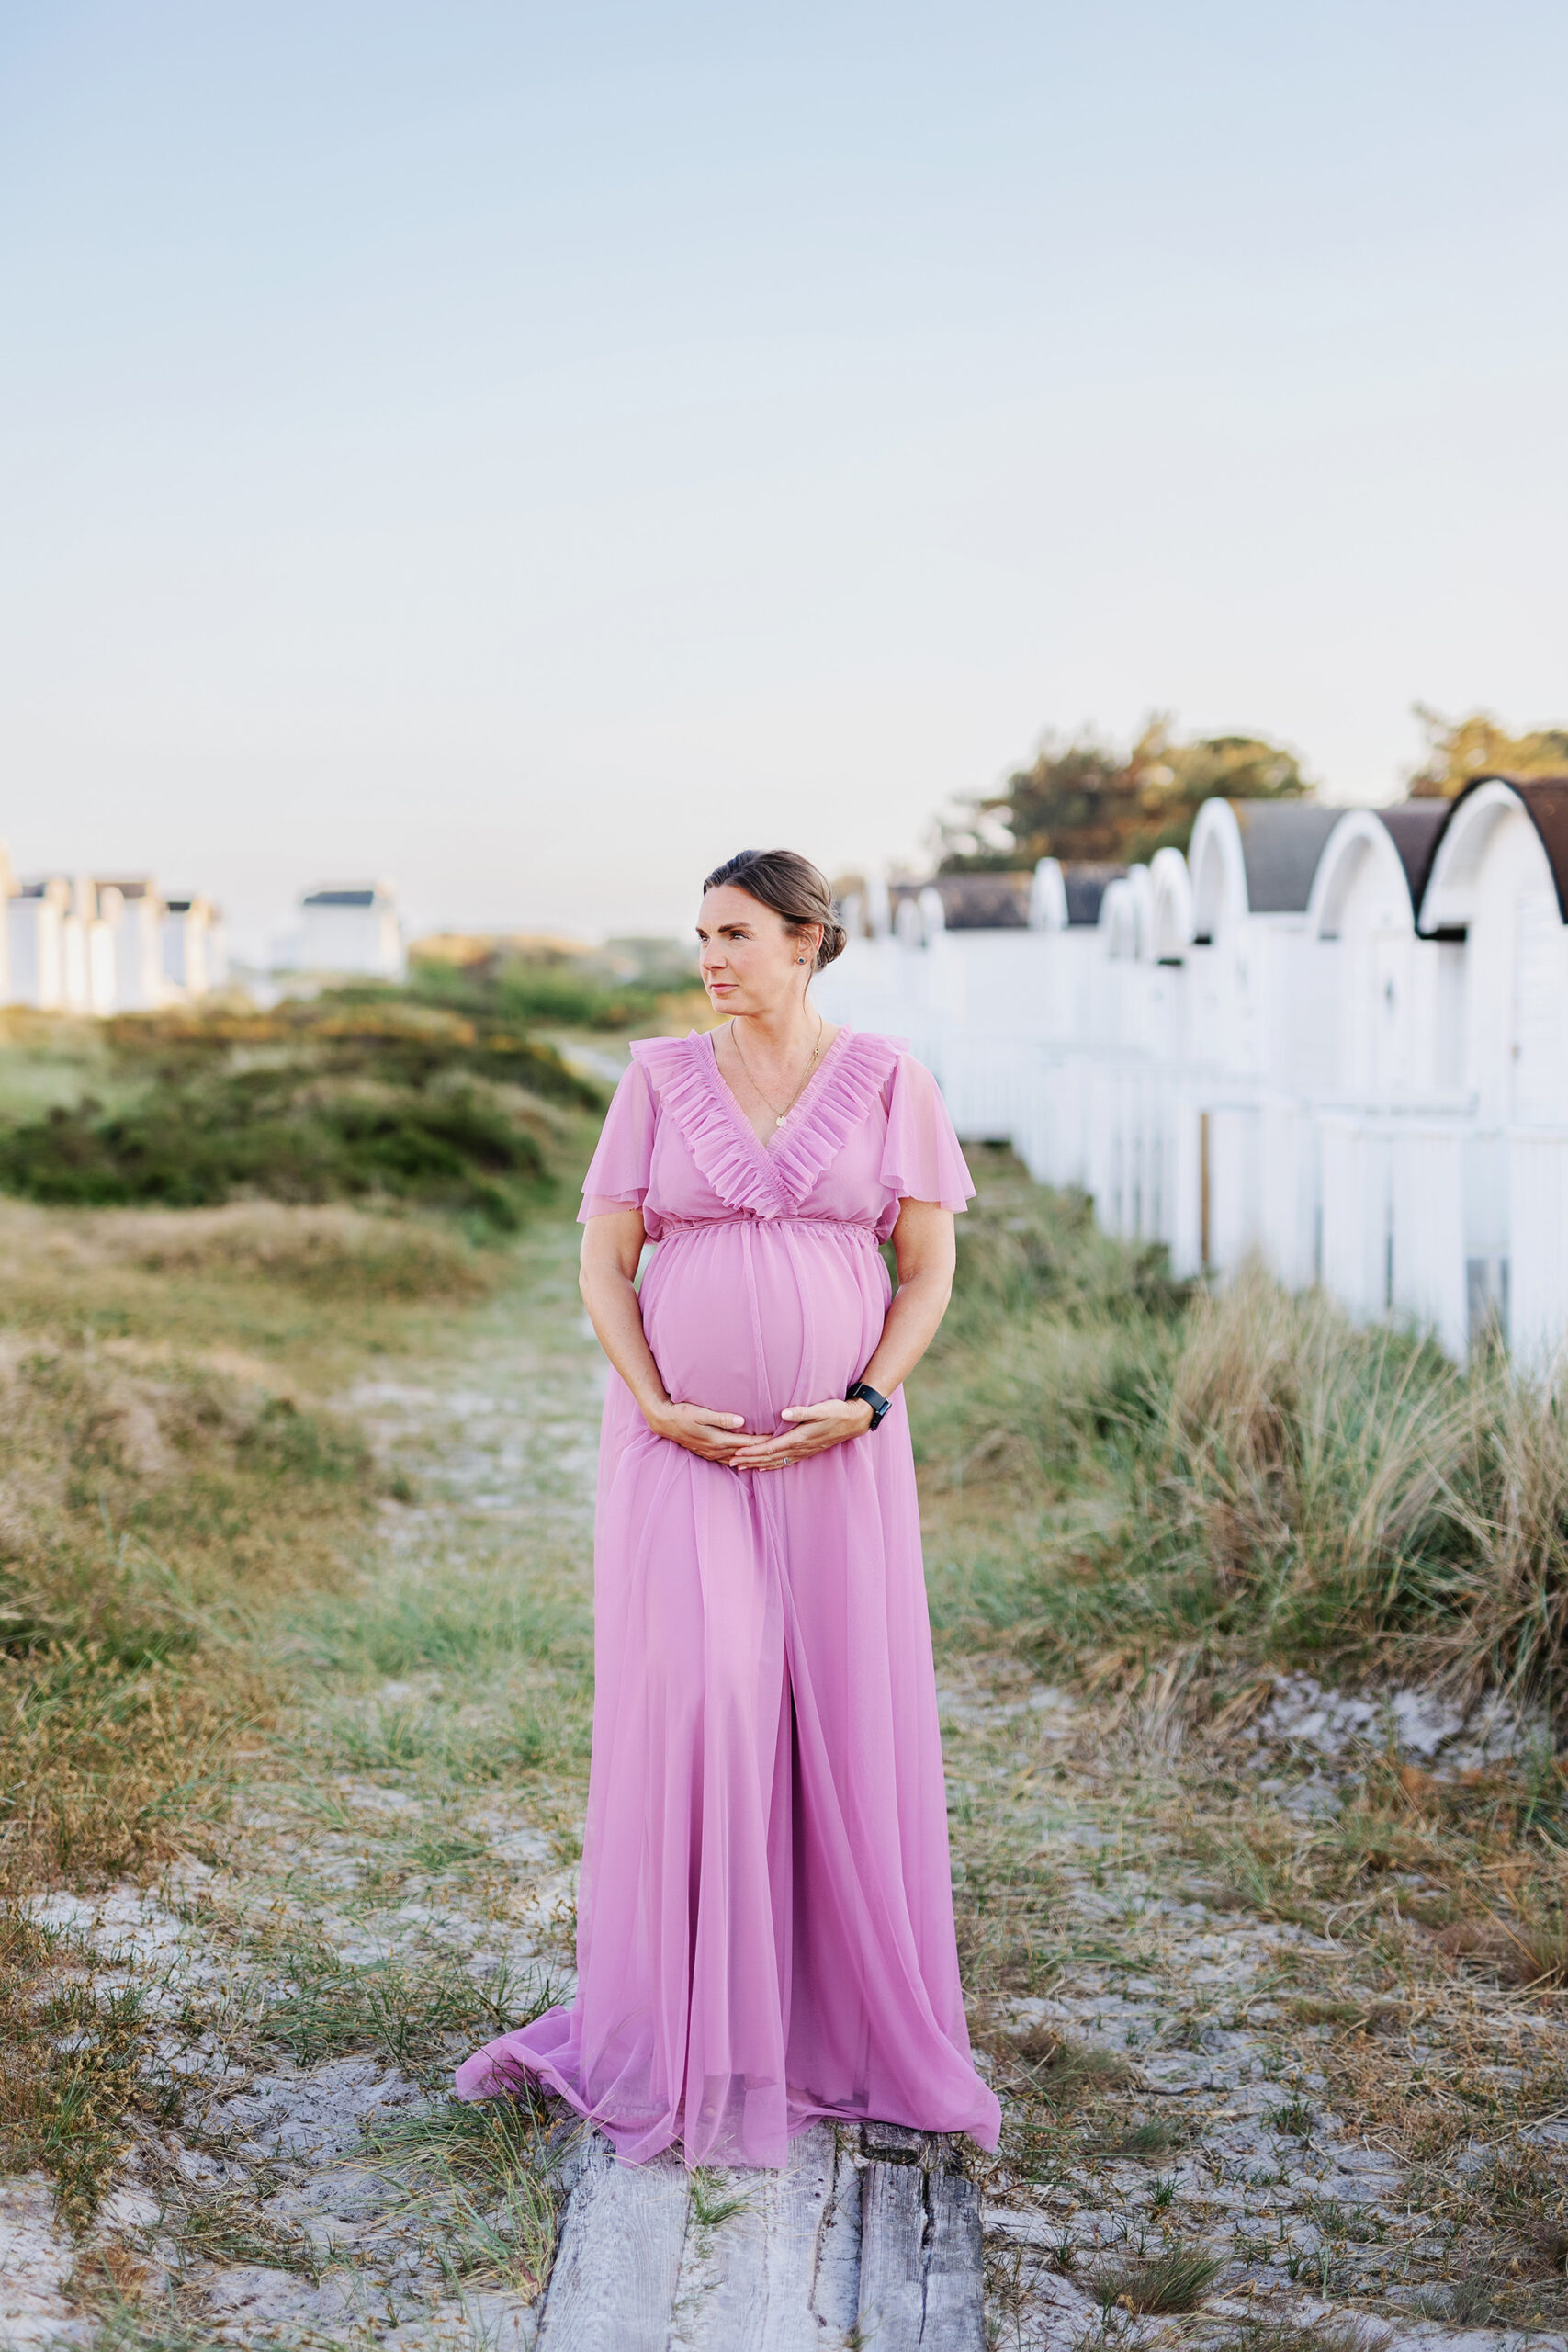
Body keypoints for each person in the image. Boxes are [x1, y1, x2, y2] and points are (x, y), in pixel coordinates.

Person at [456, 848, 1000, 2168]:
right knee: (709, 1692)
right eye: (701, 932)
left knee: (839, 1711)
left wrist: (868, 1398)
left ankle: (826, 2029)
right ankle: (690, 2030)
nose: (711, 956)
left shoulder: (890, 1081)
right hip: (678, 1447)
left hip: (838, 1451)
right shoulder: (655, 1081)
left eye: (737, 932)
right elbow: (603, 1260)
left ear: (807, 941)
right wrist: (652, 1400)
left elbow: (924, 1274)